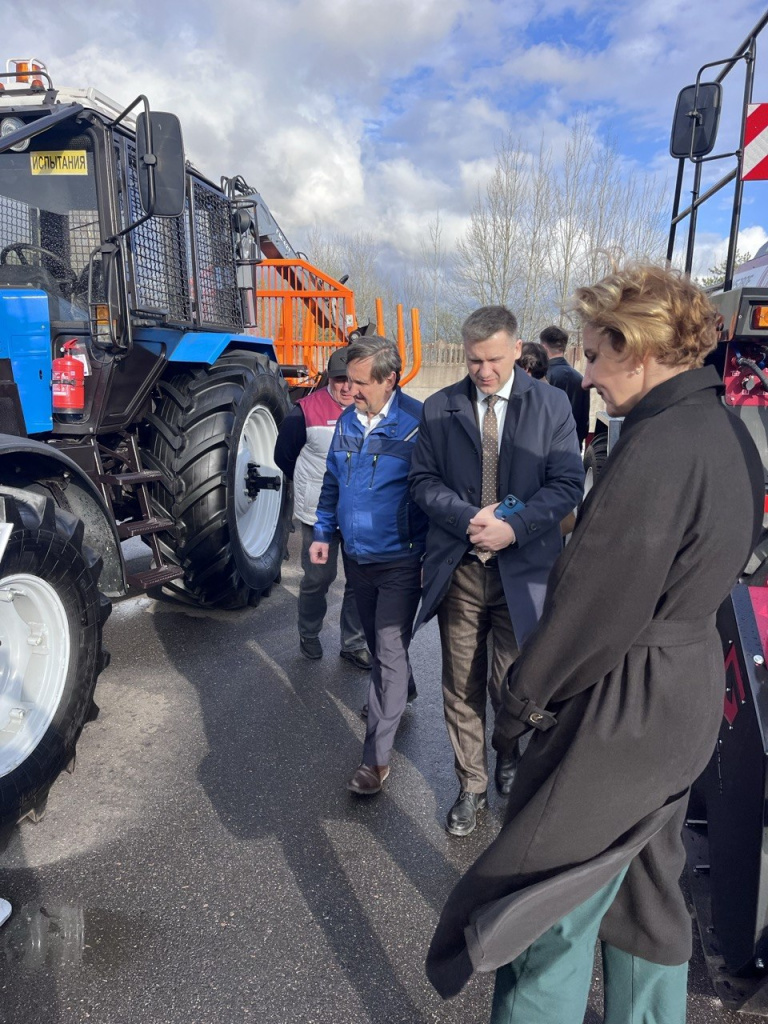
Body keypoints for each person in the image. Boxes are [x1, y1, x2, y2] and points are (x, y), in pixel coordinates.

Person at [426, 264, 764, 1023]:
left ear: (638, 349)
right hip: (684, 696)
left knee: (544, 911)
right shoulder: (729, 433)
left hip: (622, 709)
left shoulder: (656, 449)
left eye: (596, 353)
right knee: (647, 899)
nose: (586, 372)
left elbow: (591, 606)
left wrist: (519, 704)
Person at [410, 305, 584, 837]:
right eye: (473, 361)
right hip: (462, 569)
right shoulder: (439, 408)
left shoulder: (551, 404)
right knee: (460, 683)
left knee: (514, 686)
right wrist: (467, 518)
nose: (483, 371)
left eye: (492, 359)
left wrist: (514, 526)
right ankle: (472, 786)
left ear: (515, 350)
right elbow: (422, 482)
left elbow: (567, 485)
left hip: (523, 569)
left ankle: (507, 751)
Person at [310, 336, 428, 796]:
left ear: (389, 380)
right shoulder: (345, 422)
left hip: (402, 558)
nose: (350, 390)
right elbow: (332, 483)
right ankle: (404, 691)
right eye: (346, 381)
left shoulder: (420, 425)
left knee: (387, 648)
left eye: (359, 382)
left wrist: (431, 558)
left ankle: (374, 761)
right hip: (356, 557)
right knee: (386, 650)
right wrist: (323, 533)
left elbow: (435, 495)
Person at [274, 349, 371, 669]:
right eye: (339, 379)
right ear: (328, 378)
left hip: (361, 516)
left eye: (352, 380)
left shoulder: (373, 410)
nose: (346, 387)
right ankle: (309, 632)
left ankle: (353, 642)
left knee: (361, 581)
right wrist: (307, 488)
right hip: (320, 516)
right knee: (318, 578)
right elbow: (284, 457)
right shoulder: (303, 412)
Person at [540, 324, 590, 446]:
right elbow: (584, 421)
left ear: (544, 348)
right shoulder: (580, 378)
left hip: (547, 449)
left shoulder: (543, 377)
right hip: (573, 447)